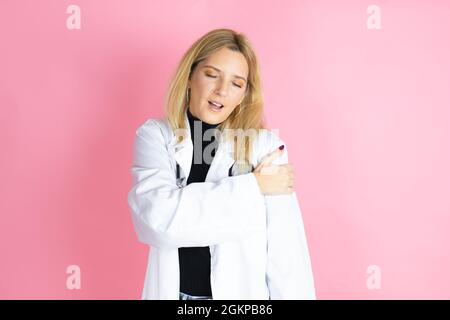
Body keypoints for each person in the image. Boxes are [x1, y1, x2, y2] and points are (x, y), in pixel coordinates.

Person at [127, 28, 316, 300]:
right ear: (190, 76)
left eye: (237, 84)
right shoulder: (155, 136)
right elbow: (157, 222)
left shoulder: (264, 148)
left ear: (244, 95)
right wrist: (254, 185)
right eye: (212, 75)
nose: (222, 91)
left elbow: (285, 254)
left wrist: (182, 206)